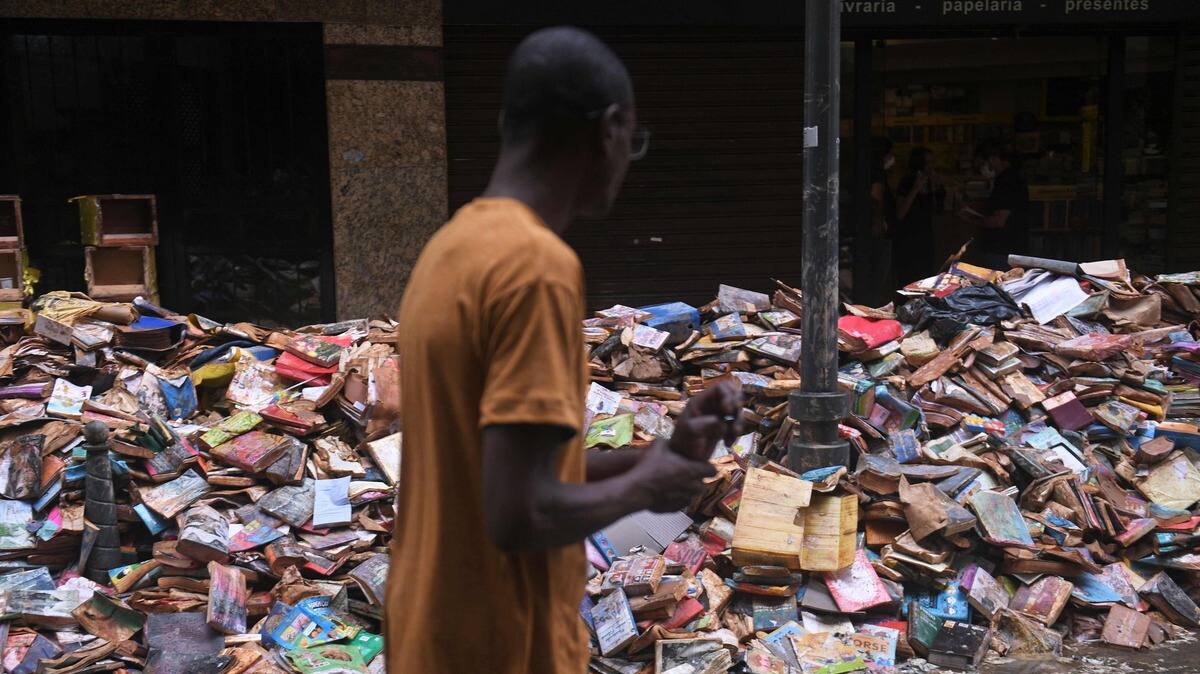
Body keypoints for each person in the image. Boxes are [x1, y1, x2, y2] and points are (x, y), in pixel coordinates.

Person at [385, 27, 743, 674]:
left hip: (430, 634)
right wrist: (645, 485)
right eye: (632, 141)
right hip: (499, 645)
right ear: (608, 131)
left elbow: (511, 472)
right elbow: (518, 513)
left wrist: (662, 455)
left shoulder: (449, 251)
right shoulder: (537, 267)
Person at [966, 139, 1030, 267]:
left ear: (995, 159)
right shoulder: (1014, 178)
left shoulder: (1006, 182)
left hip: (1002, 249)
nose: (987, 166)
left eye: (987, 161)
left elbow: (998, 220)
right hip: (1011, 247)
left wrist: (972, 221)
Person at [893, 147, 944, 286]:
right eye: (928, 163)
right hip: (908, 239)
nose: (931, 167)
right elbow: (900, 213)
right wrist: (915, 189)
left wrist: (936, 188)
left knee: (926, 277)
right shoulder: (907, 182)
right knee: (908, 278)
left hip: (925, 237)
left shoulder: (931, 183)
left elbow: (938, 210)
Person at [865, 137, 897, 301]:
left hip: (876, 230)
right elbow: (876, 198)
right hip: (879, 232)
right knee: (878, 275)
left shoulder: (868, 171)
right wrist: (879, 222)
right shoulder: (876, 174)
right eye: (890, 154)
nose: (893, 158)